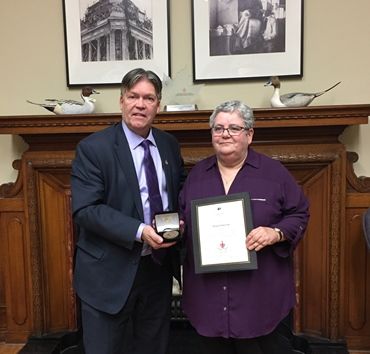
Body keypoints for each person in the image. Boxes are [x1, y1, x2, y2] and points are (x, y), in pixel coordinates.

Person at [70, 68, 187, 354]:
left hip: (157, 270)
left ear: (157, 105)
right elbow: (85, 209)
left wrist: (185, 220)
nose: (140, 104)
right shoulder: (93, 148)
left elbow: (179, 192)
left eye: (148, 98)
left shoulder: (169, 145)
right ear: (121, 101)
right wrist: (140, 231)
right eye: (133, 96)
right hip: (108, 273)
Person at [178, 100, 310, 354]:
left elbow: (300, 212)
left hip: (259, 300)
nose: (225, 133)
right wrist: (180, 229)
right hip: (208, 300)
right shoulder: (196, 176)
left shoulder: (274, 173)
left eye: (234, 128)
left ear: (249, 134)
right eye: (218, 128)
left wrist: (276, 232)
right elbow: (184, 220)